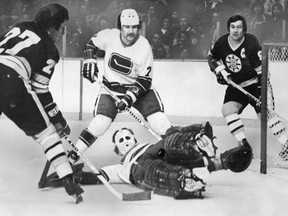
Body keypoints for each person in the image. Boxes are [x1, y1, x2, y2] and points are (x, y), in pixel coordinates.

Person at [0, 3, 83, 203]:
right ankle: (69, 181)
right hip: (9, 80)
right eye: (63, 27)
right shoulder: (50, 50)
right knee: (47, 134)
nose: (63, 33)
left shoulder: (19, 26)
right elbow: (41, 90)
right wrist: (58, 120)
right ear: (53, 26)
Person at [39, 122, 253, 199]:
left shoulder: (147, 144)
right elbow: (96, 177)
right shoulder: (118, 166)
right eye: (120, 140)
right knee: (149, 169)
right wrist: (67, 175)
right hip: (138, 167)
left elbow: (164, 148)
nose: (124, 140)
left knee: (168, 143)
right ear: (116, 149)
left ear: (134, 138)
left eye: (127, 136)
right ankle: (182, 180)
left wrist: (218, 162)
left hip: (155, 152)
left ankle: (196, 142)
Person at [68, 8, 171, 164]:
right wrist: (90, 59)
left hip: (140, 90)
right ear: (120, 26)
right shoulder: (109, 36)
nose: (131, 31)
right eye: (127, 27)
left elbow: (144, 80)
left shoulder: (144, 46)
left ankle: (177, 151)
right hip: (111, 89)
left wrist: (129, 98)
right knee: (100, 123)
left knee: (159, 122)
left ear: (139, 27)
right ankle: (75, 154)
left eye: (135, 27)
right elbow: (92, 44)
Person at [208, 14, 260, 167]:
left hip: (255, 84)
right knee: (227, 109)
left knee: (264, 115)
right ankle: (243, 144)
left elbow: (261, 71)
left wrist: (261, 91)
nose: (235, 30)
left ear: (244, 29)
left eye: (239, 27)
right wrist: (219, 70)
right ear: (228, 28)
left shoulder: (251, 42)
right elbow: (211, 57)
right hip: (236, 86)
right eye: (232, 27)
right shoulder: (222, 42)